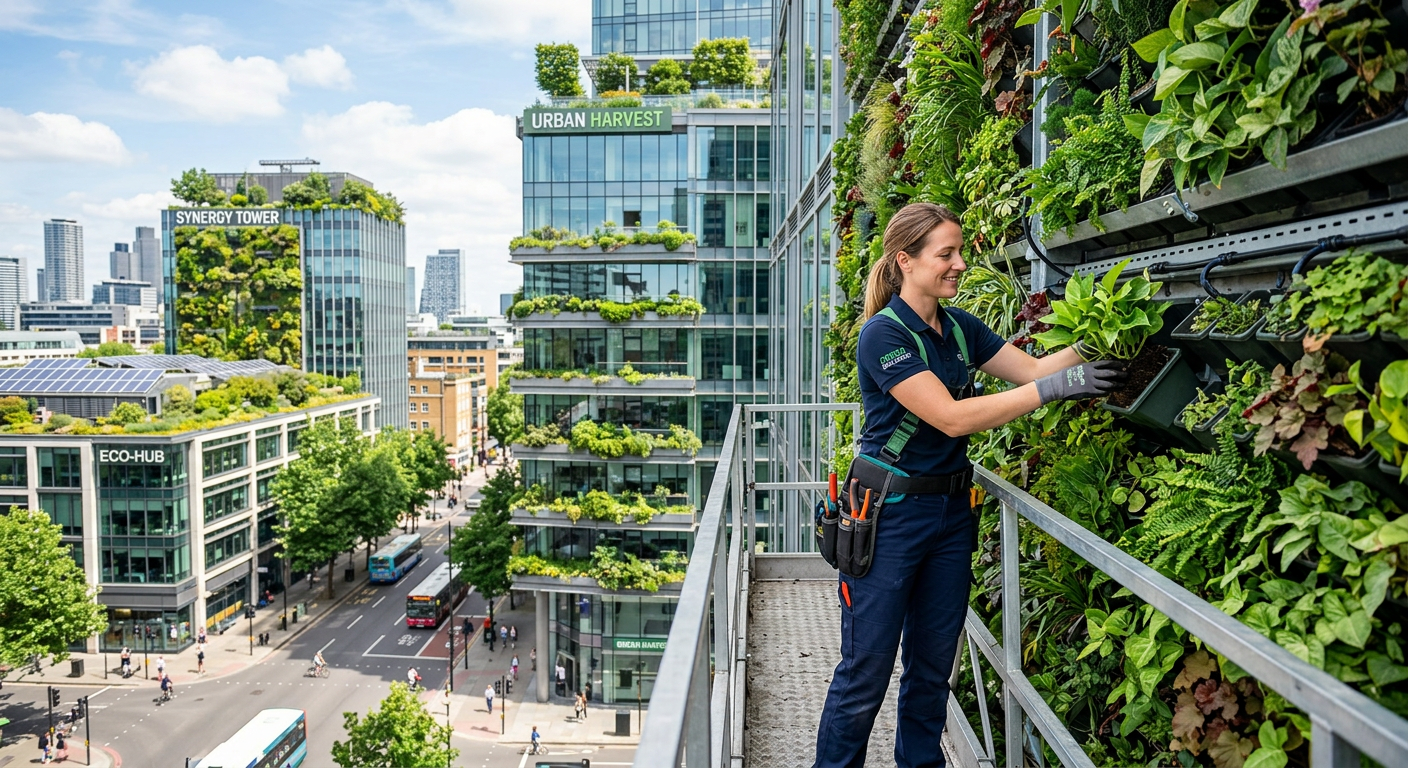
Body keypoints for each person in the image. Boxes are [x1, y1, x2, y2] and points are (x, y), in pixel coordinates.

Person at [812, 203, 1125, 768]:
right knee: (865, 674)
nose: (960, 264)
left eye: (960, 252)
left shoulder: (957, 326)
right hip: (887, 516)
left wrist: (1115, 330)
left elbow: (1034, 370)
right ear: (905, 261)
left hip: (951, 515)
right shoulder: (883, 335)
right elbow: (952, 418)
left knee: (933, 671)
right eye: (946, 254)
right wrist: (1055, 390)